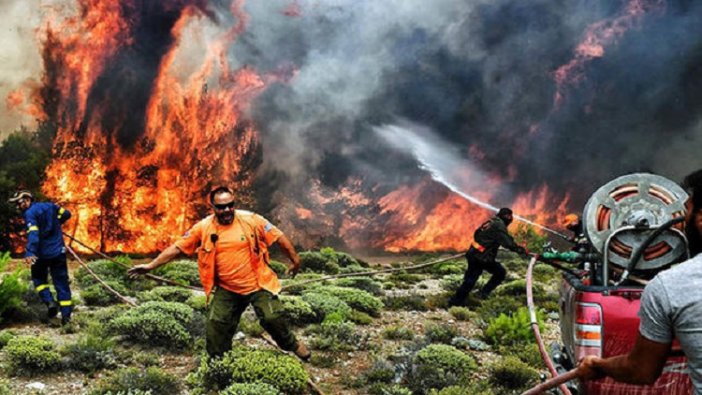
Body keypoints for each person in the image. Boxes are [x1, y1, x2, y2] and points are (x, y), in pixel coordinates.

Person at [128, 186, 310, 360]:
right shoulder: (203, 227)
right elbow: (177, 248)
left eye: (231, 205)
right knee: (215, 327)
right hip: (227, 288)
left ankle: (292, 345)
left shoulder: (252, 219)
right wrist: (150, 266)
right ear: (213, 207)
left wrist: (295, 260)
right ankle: (219, 365)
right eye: (221, 207)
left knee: (272, 318)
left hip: (258, 284)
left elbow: (279, 237)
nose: (227, 210)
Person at [576, 169, 702, 392]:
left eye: (687, 211)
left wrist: (599, 365)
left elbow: (640, 370)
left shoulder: (670, 287)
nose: (680, 220)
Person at [8, 190, 73, 325]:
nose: (18, 207)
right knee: (62, 284)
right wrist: (57, 223)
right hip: (58, 252)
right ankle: (66, 318)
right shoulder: (51, 206)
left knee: (38, 279)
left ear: (27, 200)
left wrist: (30, 252)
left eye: (19, 203)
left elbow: (34, 235)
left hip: (42, 254)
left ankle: (50, 302)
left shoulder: (30, 213)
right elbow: (67, 214)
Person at [448, 208, 527, 306]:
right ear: (506, 216)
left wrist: (487, 244)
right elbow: (508, 243)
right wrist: (520, 250)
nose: (511, 219)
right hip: (481, 257)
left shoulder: (490, 222)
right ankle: (459, 301)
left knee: (472, 279)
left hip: (475, 254)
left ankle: (462, 299)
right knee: (496, 273)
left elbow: (476, 234)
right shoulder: (499, 225)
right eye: (510, 216)